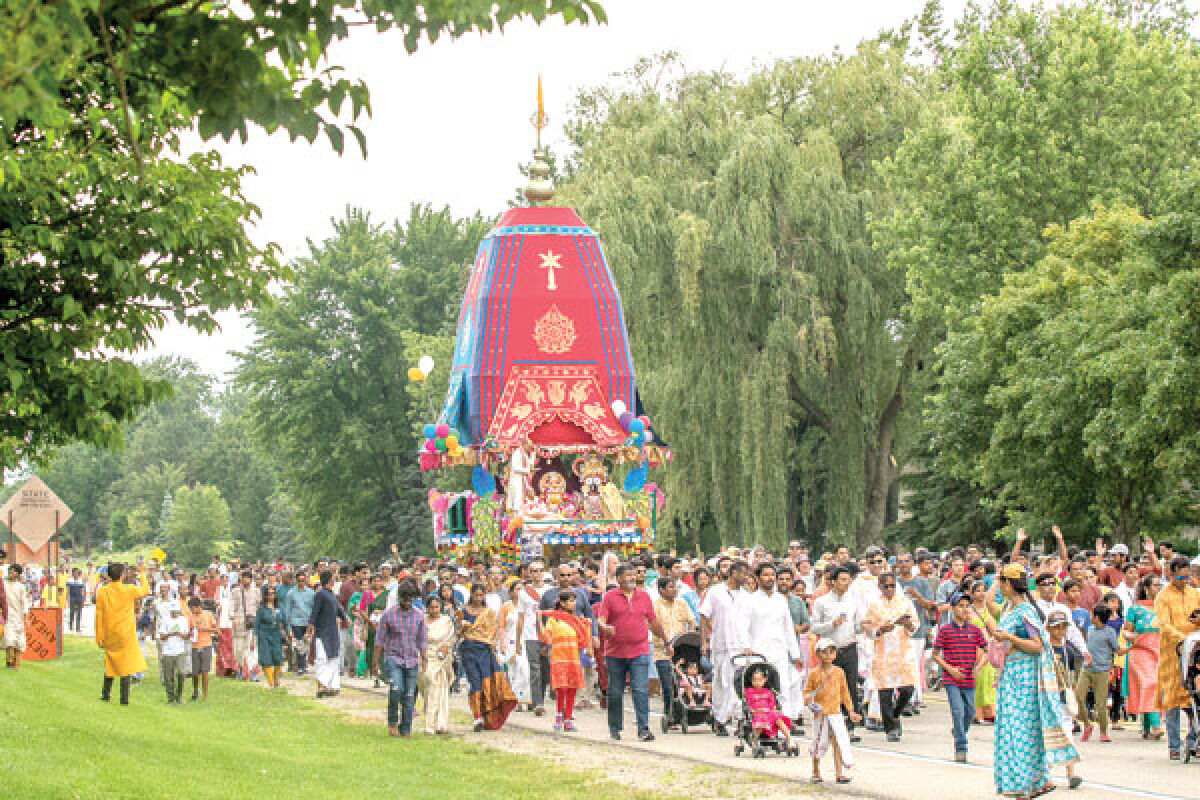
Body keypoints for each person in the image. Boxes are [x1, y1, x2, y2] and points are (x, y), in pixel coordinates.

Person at [992, 563, 1079, 798]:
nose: (999, 587)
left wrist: (1009, 637)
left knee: (1022, 731)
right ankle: (1021, 783)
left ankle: (1032, 781)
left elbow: (1037, 645)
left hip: (1025, 681)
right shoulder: (1008, 609)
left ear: (1008, 585)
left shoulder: (1026, 612)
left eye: (1001, 582)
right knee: (1011, 730)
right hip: (1010, 677)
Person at [597, 563, 667, 742]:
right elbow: (601, 620)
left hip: (640, 649)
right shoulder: (610, 597)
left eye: (634, 575)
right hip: (615, 652)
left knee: (640, 689)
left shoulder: (644, 596)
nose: (632, 578)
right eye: (628, 575)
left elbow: (653, 621)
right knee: (615, 691)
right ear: (619, 578)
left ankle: (643, 728)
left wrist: (666, 641)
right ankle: (615, 727)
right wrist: (606, 628)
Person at [1154, 555, 1200, 760]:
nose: (1184, 581)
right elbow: (1164, 625)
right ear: (1171, 575)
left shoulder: (1195, 594)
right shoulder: (1163, 597)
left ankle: (1192, 740)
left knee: (1194, 698)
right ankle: (1174, 745)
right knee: (1172, 701)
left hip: (1195, 651)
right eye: (1180, 578)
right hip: (1173, 654)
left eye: (1187, 577)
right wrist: (1184, 638)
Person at [863, 572, 919, 742]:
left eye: (892, 585)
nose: (889, 589)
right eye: (885, 586)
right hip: (883, 653)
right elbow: (866, 626)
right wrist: (880, 630)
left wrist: (906, 623)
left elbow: (915, 625)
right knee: (885, 693)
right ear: (879, 587)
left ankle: (895, 713)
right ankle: (890, 729)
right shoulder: (873, 605)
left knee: (908, 689)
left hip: (903, 652)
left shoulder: (905, 603)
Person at [810, 566, 863, 741]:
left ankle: (849, 726)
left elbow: (856, 625)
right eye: (842, 579)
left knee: (850, 687)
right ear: (833, 582)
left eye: (848, 580)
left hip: (849, 647)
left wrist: (864, 626)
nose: (846, 583)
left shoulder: (853, 600)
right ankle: (829, 724)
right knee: (829, 687)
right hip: (829, 651)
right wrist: (832, 624)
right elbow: (814, 626)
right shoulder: (822, 602)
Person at [700, 559, 752, 736]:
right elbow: (704, 614)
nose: (745, 577)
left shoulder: (746, 596)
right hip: (720, 645)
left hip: (740, 647)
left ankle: (737, 720)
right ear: (732, 573)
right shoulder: (715, 592)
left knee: (737, 684)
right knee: (721, 683)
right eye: (742, 573)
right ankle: (718, 717)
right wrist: (705, 640)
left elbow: (748, 622)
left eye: (747, 573)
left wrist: (749, 644)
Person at [933, 592, 987, 762]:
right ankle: (961, 745)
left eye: (967, 606)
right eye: (960, 606)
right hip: (951, 679)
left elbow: (987, 650)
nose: (964, 610)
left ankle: (959, 730)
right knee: (958, 710)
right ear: (953, 608)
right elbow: (935, 654)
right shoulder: (945, 630)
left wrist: (978, 667)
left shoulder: (975, 630)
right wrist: (949, 669)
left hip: (969, 678)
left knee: (970, 711)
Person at [458, 582, 518, 731]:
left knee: (488, 683)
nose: (479, 598)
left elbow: (492, 634)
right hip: (468, 650)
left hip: (484, 651)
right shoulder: (463, 611)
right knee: (474, 682)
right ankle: (477, 716)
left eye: (481, 595)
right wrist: (462, 626)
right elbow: (458, 632)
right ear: (471, 595)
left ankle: (487, 716)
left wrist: (496, 653)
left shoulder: (489, 612)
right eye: (476, 594)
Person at [374, 580, 426, 737]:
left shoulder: (419, 616)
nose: (408, 603)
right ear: (400, 598)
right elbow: (379, 640)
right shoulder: (388, 615)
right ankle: (392, 722)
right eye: (406, 599)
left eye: (411, 599)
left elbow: (422, 640)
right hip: (394, 658)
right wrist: (375, 662)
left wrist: (424, 658)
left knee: (410, 694)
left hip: (412, 659)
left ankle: (406, 728)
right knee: (397, 689)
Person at [806, 638, 860, 785]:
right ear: (817, 654)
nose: (828, 655)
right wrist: (810, 702)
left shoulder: (839, 672)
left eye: (832, 651)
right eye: (824, 652)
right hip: (820, 714)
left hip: (835, 713)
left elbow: (845, 693)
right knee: (818, 742)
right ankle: (815, 771)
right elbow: (807, 693)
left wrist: (851, 711)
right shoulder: (813, 674)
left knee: (838, 742)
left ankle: (839, 773)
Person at [95, 562, 150, 704]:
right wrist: (142, 573)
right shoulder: (129, 589)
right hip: (125, 633)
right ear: (122, 575)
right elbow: (145, 591)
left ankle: (105, 695)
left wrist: (99, 637)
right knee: (125, 666)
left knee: (110, 663)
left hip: (109, 633)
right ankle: (124, 699)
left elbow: (99, 615)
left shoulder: (102, 591)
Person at [540, 591, 592, 732]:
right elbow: (547, 636)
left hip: (573, 657)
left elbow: (583, 638)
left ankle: (568, 719)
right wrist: (539, 621)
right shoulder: (554, 619)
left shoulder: (576, 619)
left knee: (572, 688)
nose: (574, 603)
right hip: (559, 657)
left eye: (574, 600)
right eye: (570, 601)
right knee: (561, 688)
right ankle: (558, 716)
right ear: (562, 603)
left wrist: (585, 625)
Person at [1122, 575, 1162, 739]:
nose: (1158, 588)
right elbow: (1126, 631)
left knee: (1153, 686)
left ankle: (1146, 727)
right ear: (1146, 589)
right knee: (1149, 684)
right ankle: (1156, 726)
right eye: (1155, 586)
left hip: (1159, 651)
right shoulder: (1135, 609)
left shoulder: (1164, 607)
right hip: (1140, 652)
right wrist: (1132, 636)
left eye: (1160, 585)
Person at [651, 576, 694, 718]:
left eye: (675, 587)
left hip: (682, 650)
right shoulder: (655, 606)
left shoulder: (682, 603)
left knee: (685, 682)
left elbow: (692, 620)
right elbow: (652, 625)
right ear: (661, 590)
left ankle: (684, 712)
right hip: (662, 651)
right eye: (670, 587)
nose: (674, 590)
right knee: (668, 685)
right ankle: (669, 714)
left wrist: (692, 635)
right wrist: (665, 641)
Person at [306, 569, 348, 698]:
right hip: (322, 632)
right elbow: (315, 612)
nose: (334, 579)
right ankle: (321, 685)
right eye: (333, 578)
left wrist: (346, 617)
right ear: (329, 580)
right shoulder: (320, 594)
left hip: (332, 632)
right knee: (322, 659)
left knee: (334, 658)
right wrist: (310, 627)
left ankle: (332, 686)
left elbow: (339, 609)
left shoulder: (332, 595)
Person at [516, 559, 549, 715]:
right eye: (533, 571)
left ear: (544, 572)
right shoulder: (523, 592)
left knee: (545, 668)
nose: (537, 574)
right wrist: (517, 640)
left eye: (539, 570)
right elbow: (521, 617)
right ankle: (538, 703)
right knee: (534, 668)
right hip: (530, 634)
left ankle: (539, 697)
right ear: (529, 573)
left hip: (547, 634)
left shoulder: (550, 590)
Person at [421, 594, 456, 735]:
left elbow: (450, 638)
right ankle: (432, 720)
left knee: (438, 688)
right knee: (427, 688)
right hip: (425, 657)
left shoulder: (446, 621)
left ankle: (436, 725)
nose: (434, 610)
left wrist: (446, 648)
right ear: (427, 608)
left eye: (437, 607)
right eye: (431, 607)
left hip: (441, 658)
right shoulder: (422, 621)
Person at [745, 664, 793, 749]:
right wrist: (753, 710)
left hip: (768, 712)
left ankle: (789, 738)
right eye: (754, 680)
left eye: (760, 680)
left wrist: (774, 710)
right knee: (761, 719)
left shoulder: (768, 692)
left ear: (765, 680)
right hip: (757, 713)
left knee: (778, 718)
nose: (757, 682)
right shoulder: (749, 692)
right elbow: (748, 705)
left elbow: (772, 706)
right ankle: (754, 740)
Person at [229, 570, 260, 681]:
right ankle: (241, 669)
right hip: (239, 622)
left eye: (248, 578)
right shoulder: (235, 591)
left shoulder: (256, 591)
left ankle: (252, 672)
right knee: (238, 649)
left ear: (251, 579)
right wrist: (232, 617)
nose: (246, 580)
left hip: (252, 623)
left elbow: (259, 606)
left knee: (251, 648)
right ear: (241, 579)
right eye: (244, 578)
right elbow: (231, 605)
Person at [158, 601, 190, 704]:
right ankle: (170, 697)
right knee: (168, 676)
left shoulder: (184, 620)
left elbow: (187, 636)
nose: (175, 614)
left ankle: (179, 695)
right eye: (173, 612)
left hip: (180, 651)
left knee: (181, 673)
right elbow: (162, 636)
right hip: (167, 651)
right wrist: (170, 634)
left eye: (176, 612)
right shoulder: (165, 620)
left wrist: (180, 634)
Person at [254, 584, 286, 689]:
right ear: (265, 596)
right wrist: (254, 638)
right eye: (269, 594)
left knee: (277, 657)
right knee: (266, 658)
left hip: (276, 634)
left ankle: (276, 678)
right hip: (264, 634)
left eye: (273, 593)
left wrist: (289, 632)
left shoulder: (280, 607)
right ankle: (271, 682)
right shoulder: (261, 609)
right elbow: (256, 624)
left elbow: (285, 621)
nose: (271, 596)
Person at [283, 574, 315, 675]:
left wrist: (313, 623)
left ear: (305, 580)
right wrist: (288, 626)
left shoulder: (311, 593)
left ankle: (302, 665)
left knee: (306, 643)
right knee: (299, 644)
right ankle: (301, 666)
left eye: (302, 580)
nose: (301, 582)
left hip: (307, 622)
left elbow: (314, 608)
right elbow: (288, 610)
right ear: (296, 581)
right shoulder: (291, 593)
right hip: (295, 622)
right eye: (299, 580)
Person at [3, 565, 31, 669]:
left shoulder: (21, 587)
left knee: (19, 642)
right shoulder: (3, 585)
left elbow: (24, 603)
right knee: (9, 640)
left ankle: (16, 664)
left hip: (18, 617)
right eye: (9, 570)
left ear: (17, 574)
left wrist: (26, 617)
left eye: (13, 571)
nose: (10, 572)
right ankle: (9, 661)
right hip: (6, 616)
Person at [188, 597, 216, 701]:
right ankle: (195, 691)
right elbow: (188, 630)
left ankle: (205, 695)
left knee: (205, 672)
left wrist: (204, 629)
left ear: (198, 606)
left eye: (192, 608)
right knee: (195, 673)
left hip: (206, 645)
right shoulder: (190, 617)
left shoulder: (208, 615)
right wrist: (191, 632)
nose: (192, 610)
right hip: (195, 646)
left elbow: (216, 629)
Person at [66, 567, 86, 634]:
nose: (76, 573)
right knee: (72, 612)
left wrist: (83, 599)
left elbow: (82, 591)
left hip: (79, 598)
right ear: (73, 573)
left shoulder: (81, 580)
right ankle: (71, 626)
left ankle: (78, 628)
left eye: (77, 572)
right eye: (75, 572)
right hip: (72, 598)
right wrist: (67, 599)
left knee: (79, 613)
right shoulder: (69, 580)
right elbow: (68, 590)